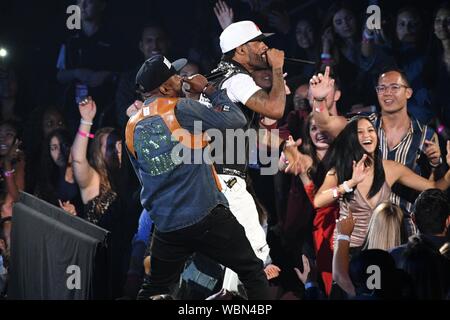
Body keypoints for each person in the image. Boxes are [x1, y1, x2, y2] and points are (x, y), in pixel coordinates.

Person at [125, 54, 270, 300]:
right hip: (205, 217)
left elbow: (143, 176)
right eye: (175, 75)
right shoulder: (180, 108)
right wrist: (209, 89)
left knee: (154, 289)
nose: (181, 79)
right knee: (253, 271)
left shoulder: (130, 125)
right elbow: (236, 121)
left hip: (167, 226)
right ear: (164, 87)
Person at [198, 20, 285, 290]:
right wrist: (278, 69)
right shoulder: (237, 80)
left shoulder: (215, 78)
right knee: (257, 252)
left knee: (236, 248)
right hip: (225, 178)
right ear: (241, 50)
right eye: (259, 42)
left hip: (205, 177)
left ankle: (226, 292)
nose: (265, 47)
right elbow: (275, 108)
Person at [311, 66, 445, 235]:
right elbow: (324, 124)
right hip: (364, 229)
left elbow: (433, 188)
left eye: (394, 87)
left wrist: (435, 164)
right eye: (381, 88)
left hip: (407, 228)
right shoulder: (363, 125)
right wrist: (319, 100)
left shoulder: (426, 134)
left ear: (408, 93)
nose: (387, 93)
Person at [312, 116, 450, 249]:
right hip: (349, 247)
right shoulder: (340, 170)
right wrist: (350, 183)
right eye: (360, 132)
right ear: (351, 138)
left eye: (371, 130)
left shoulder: (390, 168)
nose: (367, 135)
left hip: (381, 246)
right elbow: (318, 201)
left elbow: (434, 187)